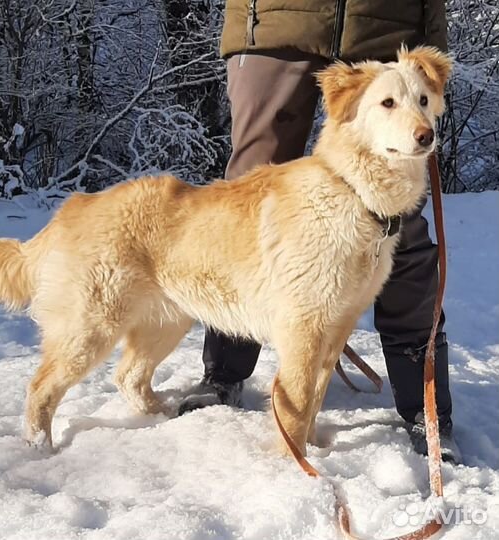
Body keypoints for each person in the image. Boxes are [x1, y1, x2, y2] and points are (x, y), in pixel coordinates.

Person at [178, 0, 461, 463]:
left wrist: (428, 34)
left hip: (385, 23)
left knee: (402, 230)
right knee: (244, 206)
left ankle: (425, 407)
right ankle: (225, 372)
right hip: (274, 24)